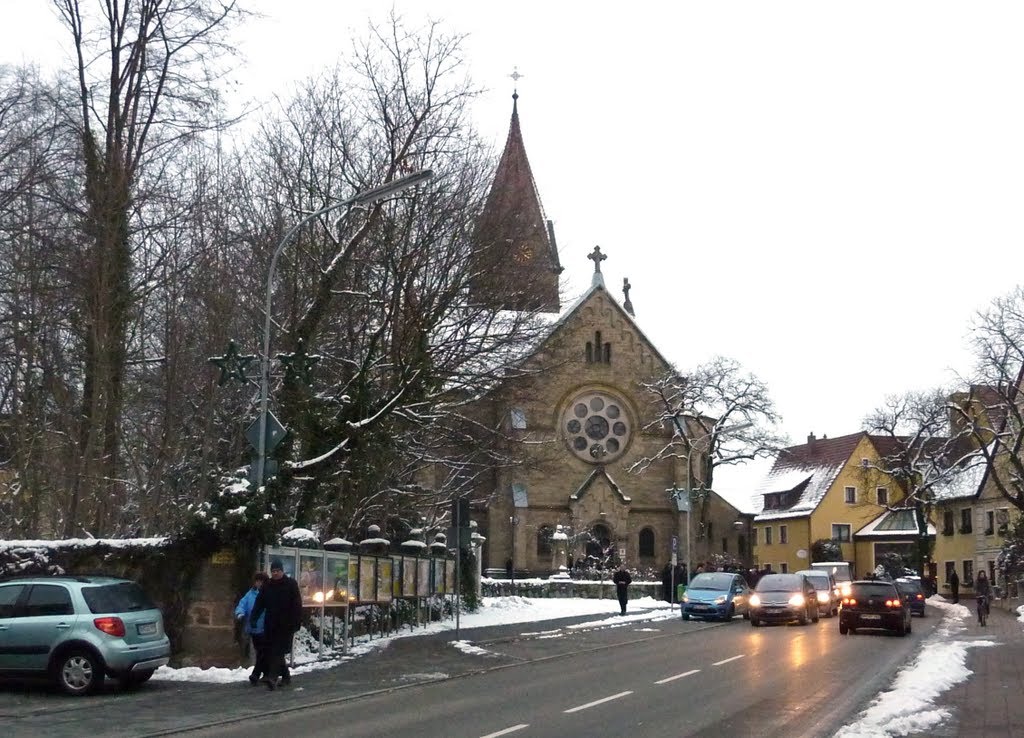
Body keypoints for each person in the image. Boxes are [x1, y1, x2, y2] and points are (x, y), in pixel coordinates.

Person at [251, 559, 302, 690]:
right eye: (273, 571)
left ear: (282, 571)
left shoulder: (290, 584)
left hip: (286, 625)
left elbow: (297, 604)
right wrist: (254, 618)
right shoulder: (267, 586)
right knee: (273, 651)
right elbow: (259, 603)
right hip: (271, 624)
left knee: (277, 652)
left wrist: (297, 622)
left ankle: (272, 678)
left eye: (277, 571)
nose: (275, 573)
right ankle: (285, 676)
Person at [234, 572, 269, 685]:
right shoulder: (250, 594)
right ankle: (267, 674)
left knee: (263, 652)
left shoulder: (269, 593)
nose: (259, 583)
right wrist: (240, 613)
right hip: (254, 628)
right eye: (257, 581)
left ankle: (256, 674)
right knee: (260, 652)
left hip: (266, 627)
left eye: (261, 581)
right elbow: (242, 604)